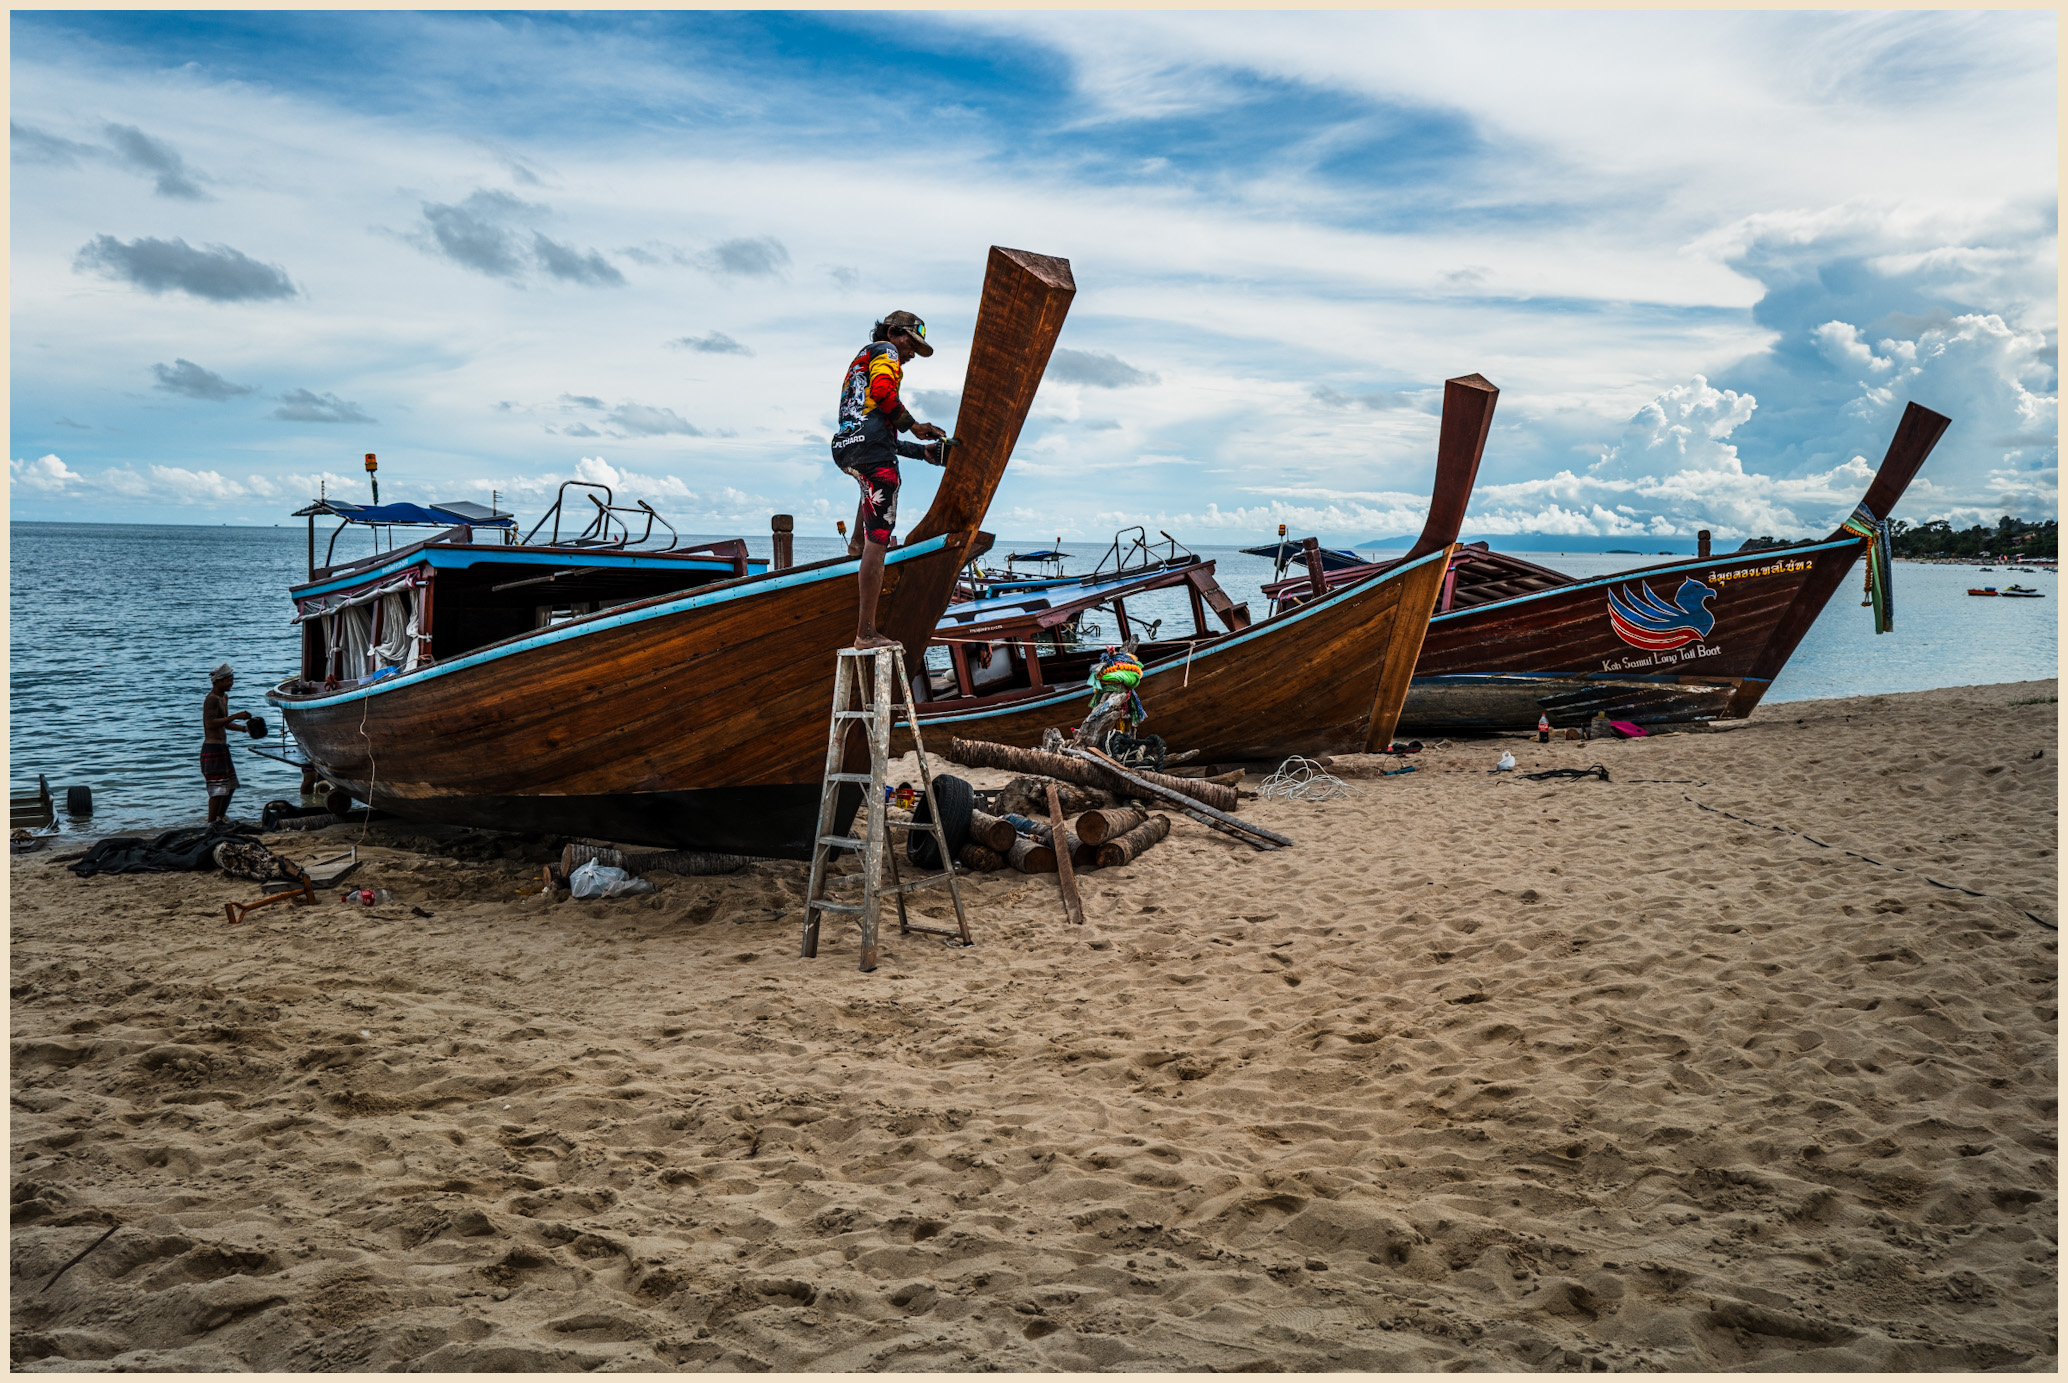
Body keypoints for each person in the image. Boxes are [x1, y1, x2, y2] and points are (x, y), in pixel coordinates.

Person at [830, 309, 953, 650]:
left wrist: (921, 452)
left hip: (847, 448)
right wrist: (916, 425)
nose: (911, 353)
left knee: (870, 491)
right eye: (910, 342)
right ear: (892, 332)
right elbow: (886, 393)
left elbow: (876, 431)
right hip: (873, 455)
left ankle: (855, 544)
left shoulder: (861, 361)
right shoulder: (886, 352)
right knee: (879, 543)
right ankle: (866, 633)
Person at [202, 663, 251, 822]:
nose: (231, 683)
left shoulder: (224, 697)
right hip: (212, 748)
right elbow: (210, 723)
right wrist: (235, 715)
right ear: (217, 681)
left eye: (232, 679)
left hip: (223, 748)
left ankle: (220, 817)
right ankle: (211, 823)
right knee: (218, 790)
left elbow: (224, 723)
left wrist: (244, 729)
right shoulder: (211, 699)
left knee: (230, 787)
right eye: (228, 680)